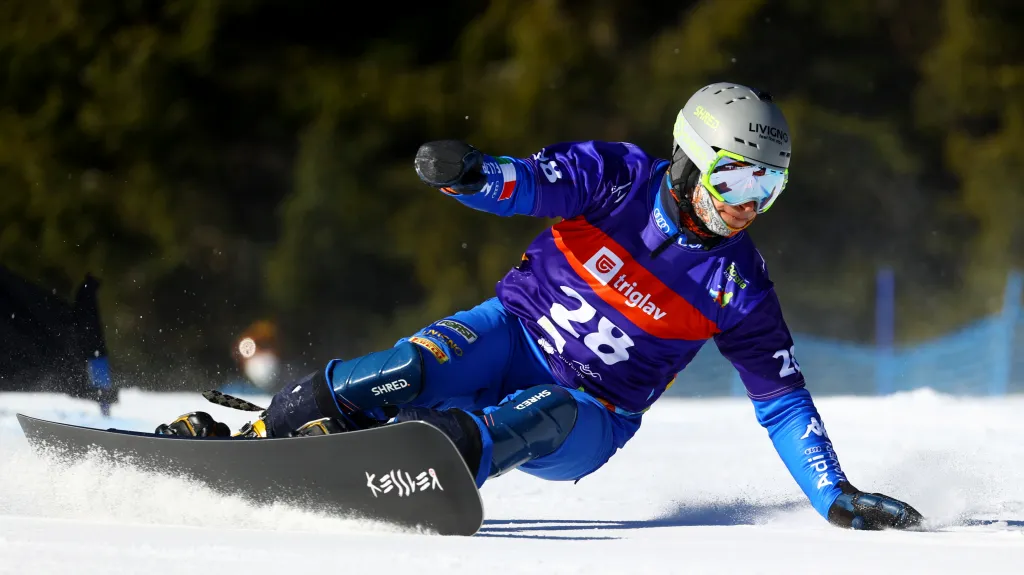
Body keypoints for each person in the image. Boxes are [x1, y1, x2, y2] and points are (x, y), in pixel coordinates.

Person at [159, 82, 923, 531]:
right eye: (735, 180)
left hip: (591, 413)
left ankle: (428, 465)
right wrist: (471, 176)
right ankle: (256, 439)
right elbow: (527, 182)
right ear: (691, 160)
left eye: (768, 188)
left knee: (541, 411)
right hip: (511, 332)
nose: (747, 205)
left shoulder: (739, 285)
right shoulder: (617, 178)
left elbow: (782, 403)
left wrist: (833, 494)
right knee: (396, 372)